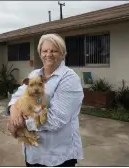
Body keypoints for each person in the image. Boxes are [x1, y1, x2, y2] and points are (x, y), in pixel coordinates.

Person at [6, 33, 84, 167]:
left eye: (54, 51)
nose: (49, 54)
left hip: (57, 156)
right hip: (33, 153)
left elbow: (56, 119)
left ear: (63, 53)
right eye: (45, 50)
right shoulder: (34, 74)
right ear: (40, 53)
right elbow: (17, 97)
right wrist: (14, 113)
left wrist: (20, 124)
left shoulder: (69, 79)